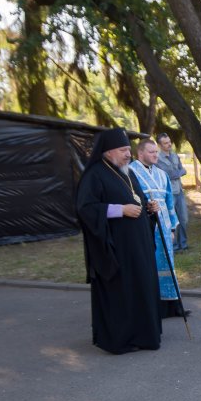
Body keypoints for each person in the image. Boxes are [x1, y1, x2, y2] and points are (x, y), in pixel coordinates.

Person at [75, 128, 161, 354]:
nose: (128, 154)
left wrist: (149, 208)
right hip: (116, 248)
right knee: (123, 291)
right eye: (123, 150)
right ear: (108, 151)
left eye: (128, 149)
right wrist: (120, 210)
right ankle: (123, 339)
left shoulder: (127, 172)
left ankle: (144, 334)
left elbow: (137, 199)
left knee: (141, 286)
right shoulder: (94, 174)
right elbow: (85, 209)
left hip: (138, 245)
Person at [130, 139, 186, 319]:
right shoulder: (131, 172)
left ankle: (172, 306)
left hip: (164, 225)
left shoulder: (162, 174)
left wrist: (172, 227)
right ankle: (154, 307)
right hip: (146, 226)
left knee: (167, 264)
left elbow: (169, 202)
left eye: (156, 152)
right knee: (150, 265)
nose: (156, 155)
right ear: (140, 153)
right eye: (152, 152)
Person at [156, 133, 189, 252]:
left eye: (169, 142)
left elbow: (183, 170)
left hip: (179, 191)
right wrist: (179, 173)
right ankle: (174, 246)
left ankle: (183, 244)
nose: (169, 144)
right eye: (165, 143)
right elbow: (167, 175)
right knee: (171, 220)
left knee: (184, 219)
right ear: (160, 145)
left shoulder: (175, 155)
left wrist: (177, 173)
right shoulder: (157, 159)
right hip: (168, 193)